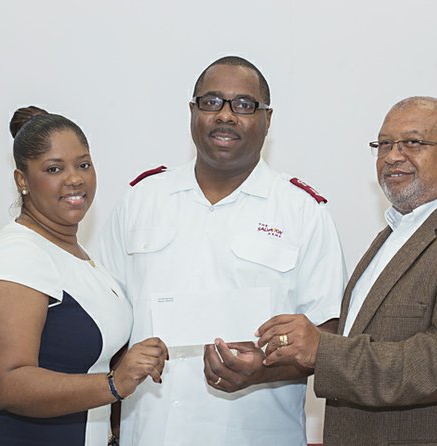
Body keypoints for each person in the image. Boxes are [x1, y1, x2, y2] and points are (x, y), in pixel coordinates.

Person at [257, 96, 437, 445]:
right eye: (384, 144)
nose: (392, 156)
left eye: (413, 143)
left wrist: (323, 351)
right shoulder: (395, 235)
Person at [94, 56, 347, 445]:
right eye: (212, 101)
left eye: (244, 105)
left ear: (267, 119)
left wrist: (263, 368)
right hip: (150, 433)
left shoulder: (302, 212)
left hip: (257, 435)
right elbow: (104, 322)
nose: (225, 115)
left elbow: (326, 337)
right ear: (192, 111)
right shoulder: (141, 201)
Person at [0, 106, 168, 446]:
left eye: (84, 164)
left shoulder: (74, 255)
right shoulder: (15, 256)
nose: (75, 178)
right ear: (22, 181)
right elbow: (5, 384)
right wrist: (113, 384)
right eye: (54, 169)